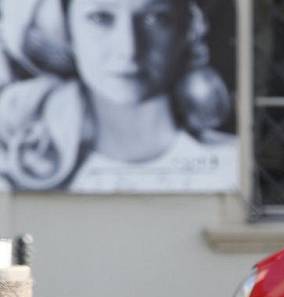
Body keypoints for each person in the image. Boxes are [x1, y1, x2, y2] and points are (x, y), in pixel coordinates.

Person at [0, 0, 237, 192]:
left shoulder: (230, 166)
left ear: (188, 29)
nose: (129, 49)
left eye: (156, 18)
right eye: (100, 18)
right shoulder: (20, 167)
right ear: (66, 28)